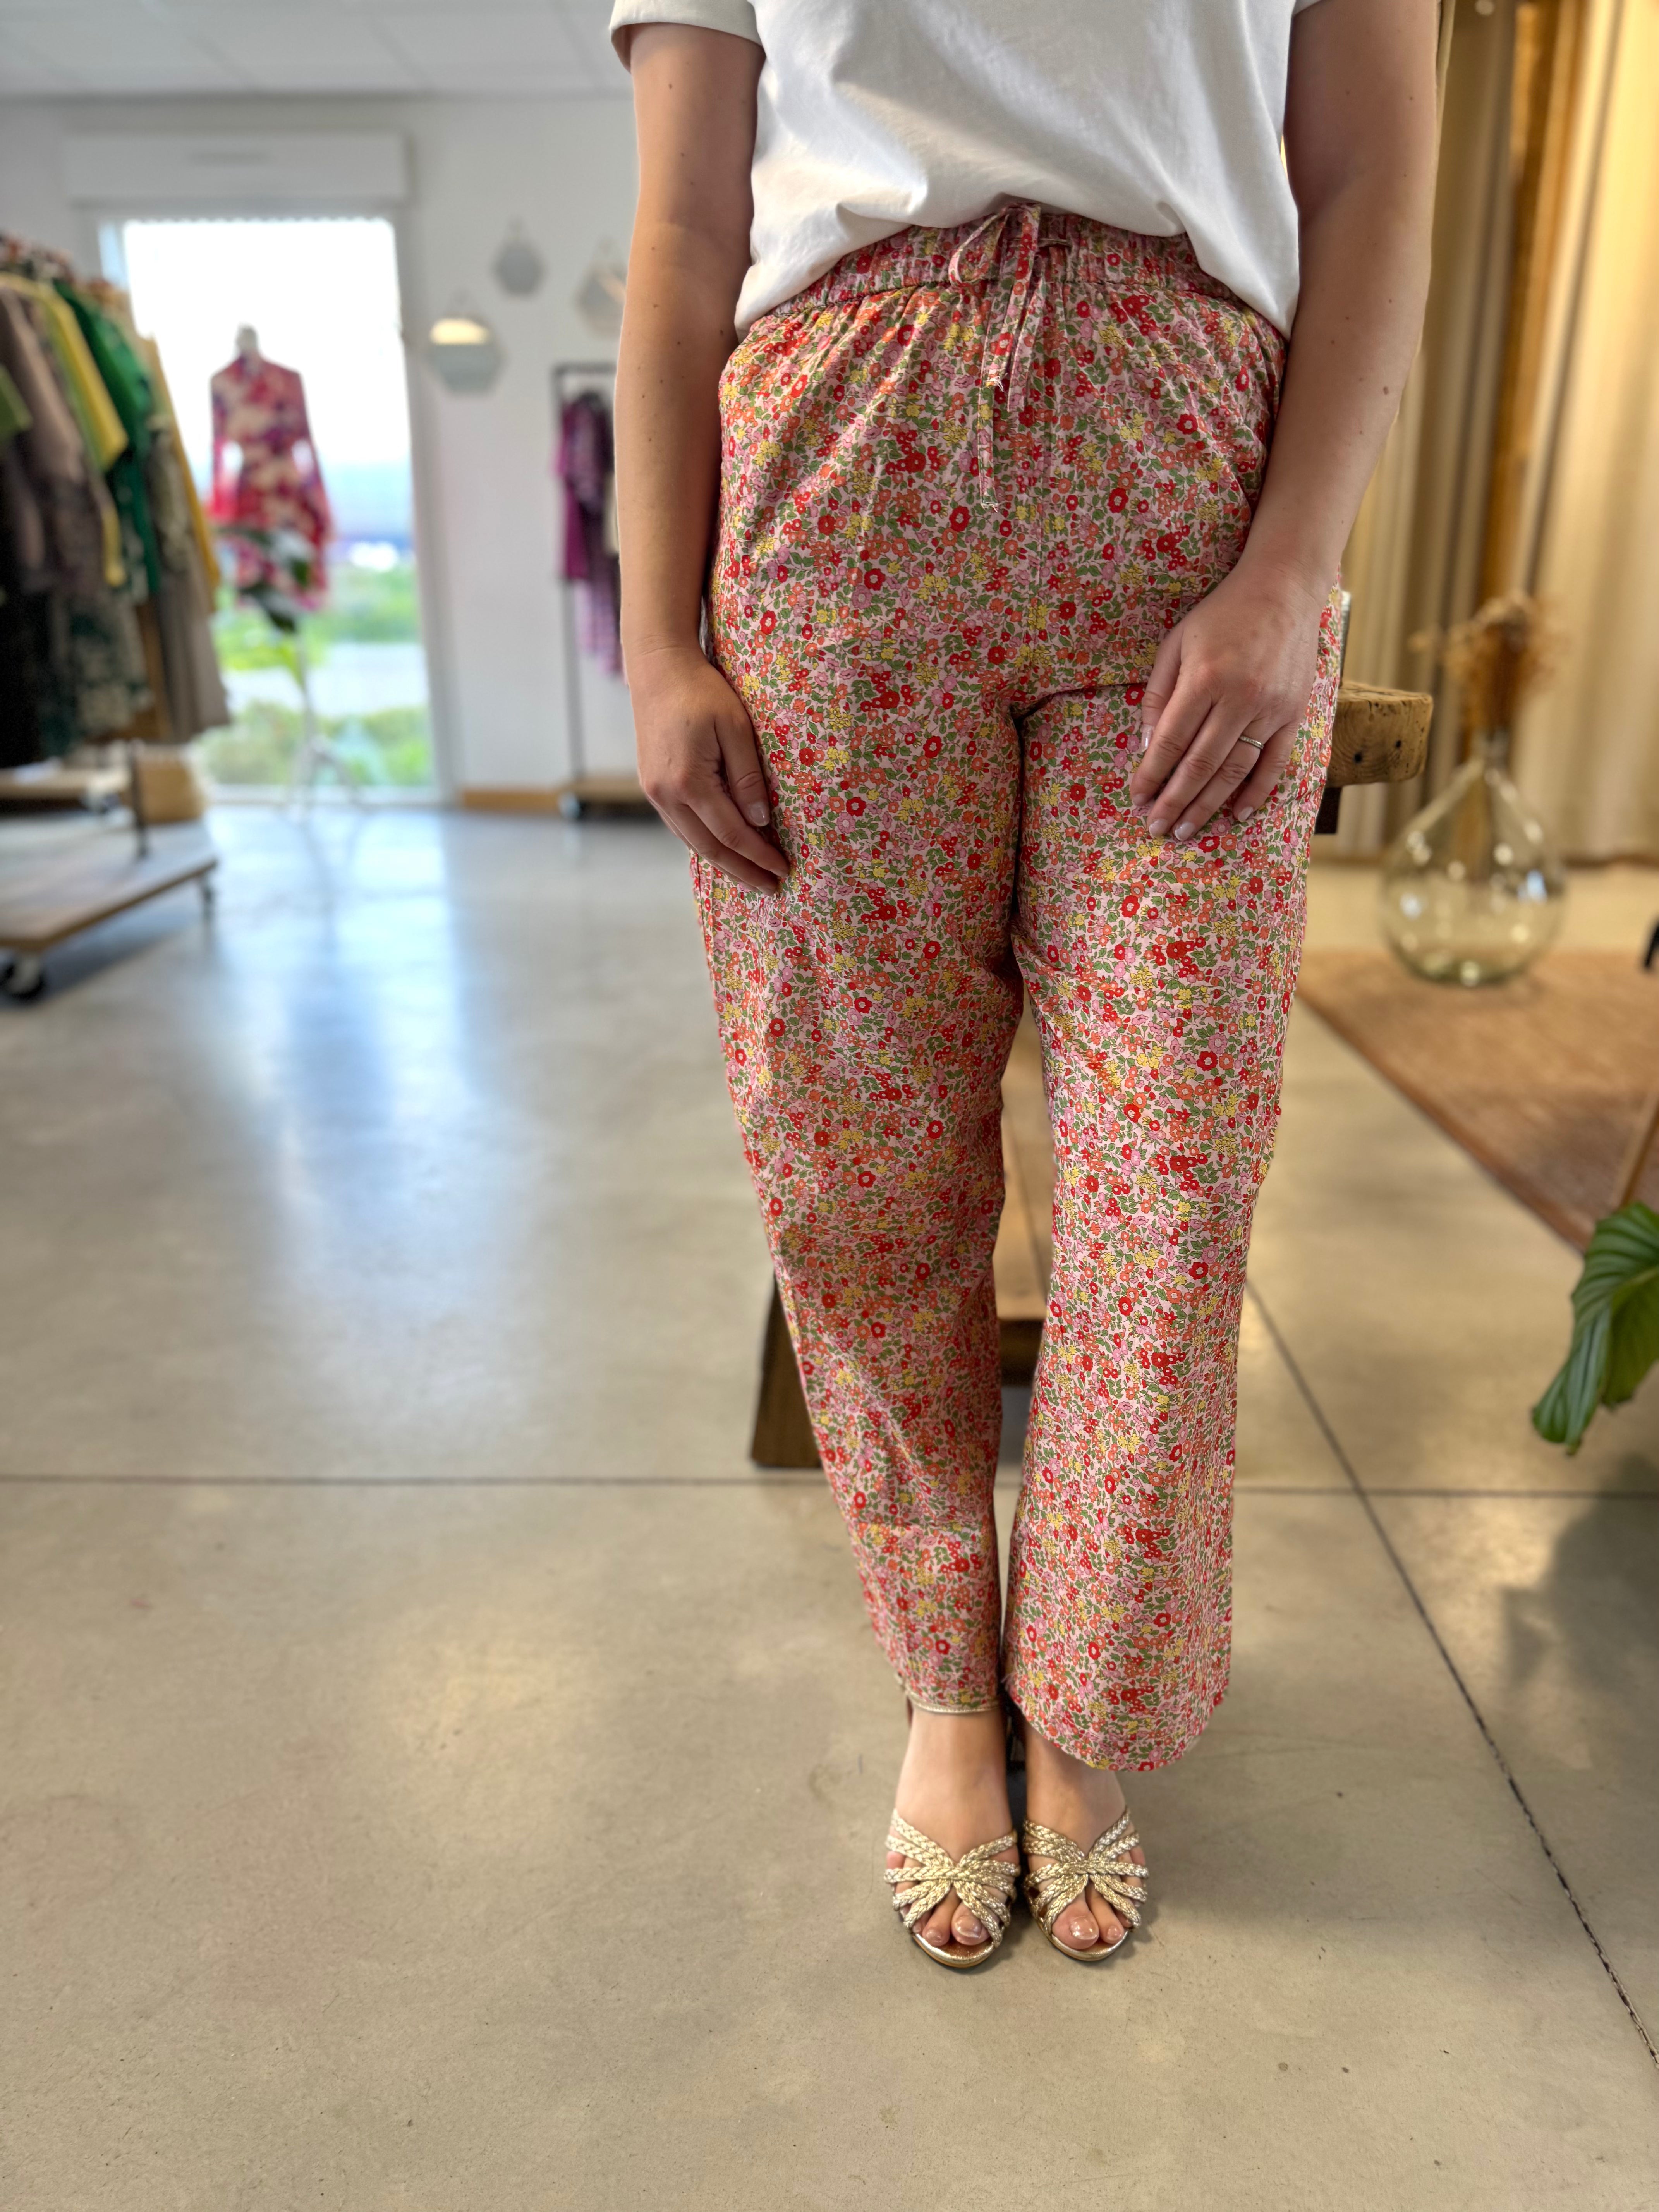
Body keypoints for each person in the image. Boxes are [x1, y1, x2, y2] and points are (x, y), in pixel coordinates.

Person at [609, 0, 1437, 1967]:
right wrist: (654, 640)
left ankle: (1081, 1683)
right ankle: (943, 1674)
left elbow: (1372, 180)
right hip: (836, 475)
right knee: (862, 1168)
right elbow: (683, 229)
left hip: (1189, 480)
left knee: (1172, 1174)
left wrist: (1294, 574)